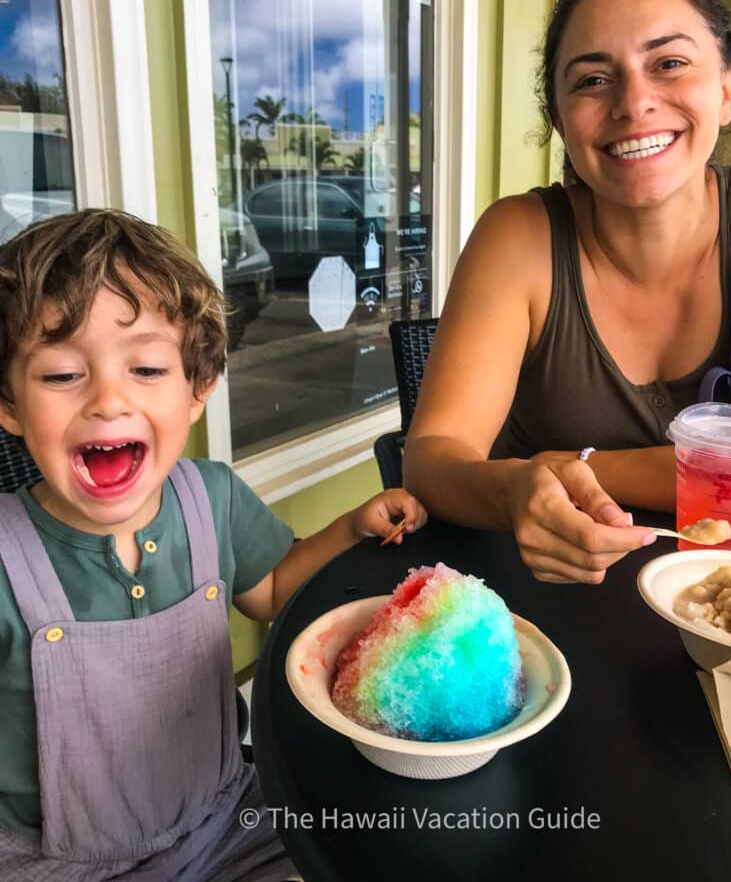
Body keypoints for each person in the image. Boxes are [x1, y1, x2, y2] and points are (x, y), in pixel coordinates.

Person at [0, 208, 426, 880]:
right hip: (59, 861)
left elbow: (275, 591)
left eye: (145, 368)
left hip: (226, 822)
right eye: (60, 375)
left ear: (197, 390)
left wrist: (350, 528)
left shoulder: (212, 498)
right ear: (10, 405)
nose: (108, 400)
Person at [404, 0, 731, 586]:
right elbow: (432, 460)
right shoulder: (519, 236)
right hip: (546, 615)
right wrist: (515, 491)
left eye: (670, 63)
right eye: (594, 80)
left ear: (726, 88)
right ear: (559, 120)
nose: (633, 103)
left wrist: (565, 463)